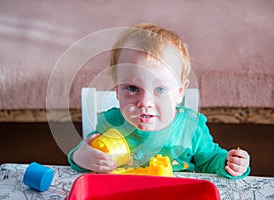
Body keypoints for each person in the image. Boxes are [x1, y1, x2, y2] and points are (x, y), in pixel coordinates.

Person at [68, 23, 250, 179]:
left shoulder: (191, 128)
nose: (145, 102)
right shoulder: (110, 123)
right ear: (117, 90)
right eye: (132, 89)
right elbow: (87, 154)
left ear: (179, 92)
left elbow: (211, 160)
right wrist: (79, 157)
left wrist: (231, 164)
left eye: (160, 90)